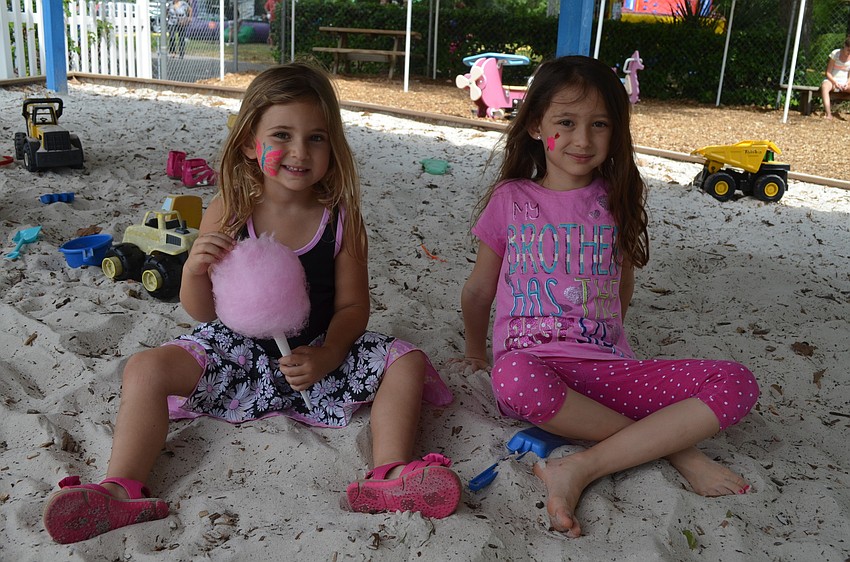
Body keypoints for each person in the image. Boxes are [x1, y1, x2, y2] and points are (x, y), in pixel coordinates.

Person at [42, 62, 462, 545]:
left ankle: (389, 475)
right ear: (248, 142)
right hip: (236, 354)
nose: (299, 152)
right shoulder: (230, 207)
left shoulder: (341, 218)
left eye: (317, 138)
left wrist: (329, 354)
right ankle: (120, 488)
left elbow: (353, 308)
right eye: (281, 135)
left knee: (406, 362)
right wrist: (197, 267)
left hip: (321, 354)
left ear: (334, 146)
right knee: (144, 367)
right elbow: (201, 313)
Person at [455, 56, 760, 538]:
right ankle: (676, 449)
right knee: (509, 375)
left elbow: (620, 290)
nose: (582, 139)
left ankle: (580, 466)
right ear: (535, 125)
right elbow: (478, 290)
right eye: (566, 123)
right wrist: (476, 350)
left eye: (600, 125)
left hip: (609, 370)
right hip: (536, 368)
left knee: (737, 382)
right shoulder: (512, 200)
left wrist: (612, 347)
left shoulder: (615, 200)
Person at [820, 35, 850, 119]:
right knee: (825, 87)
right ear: (844, 45)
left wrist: (847, 83)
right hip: (833, 80)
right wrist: (835, 82)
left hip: (845, 82)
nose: (849, 53)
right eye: (848, 50)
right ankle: (828, 114)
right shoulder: (835, 54)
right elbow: (828, 72)